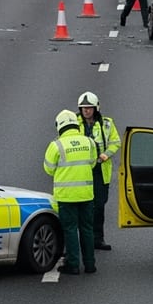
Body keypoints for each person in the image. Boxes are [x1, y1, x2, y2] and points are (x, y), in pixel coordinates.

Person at [44, 109, 98, 275]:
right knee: (87, 229)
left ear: (60, 127)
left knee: (70, 230)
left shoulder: (56, 145)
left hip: (66, 197)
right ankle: (90, 265)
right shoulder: (89, 142)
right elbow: (93, 163)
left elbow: (48, 169)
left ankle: (73, 265)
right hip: (86, 195)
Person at [76, 91, 120, 251]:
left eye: (89, 108)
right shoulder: (74, 123)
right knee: (83, 207)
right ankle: (83, 239)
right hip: (82, 171)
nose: (86, 110)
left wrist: (105, 155)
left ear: (96, 108)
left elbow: (116, 142)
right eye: (83, 108)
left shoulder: (107, 124)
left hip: (100, 170)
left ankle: (98, 239)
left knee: (99, 206)